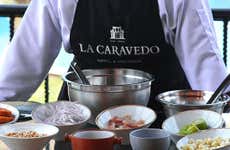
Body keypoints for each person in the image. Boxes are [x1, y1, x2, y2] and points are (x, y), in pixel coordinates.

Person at [0, 0, 228, 127]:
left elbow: (209, 77)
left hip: (159, 129)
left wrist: (222, 113)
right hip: (79, 125)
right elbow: (19, 71)